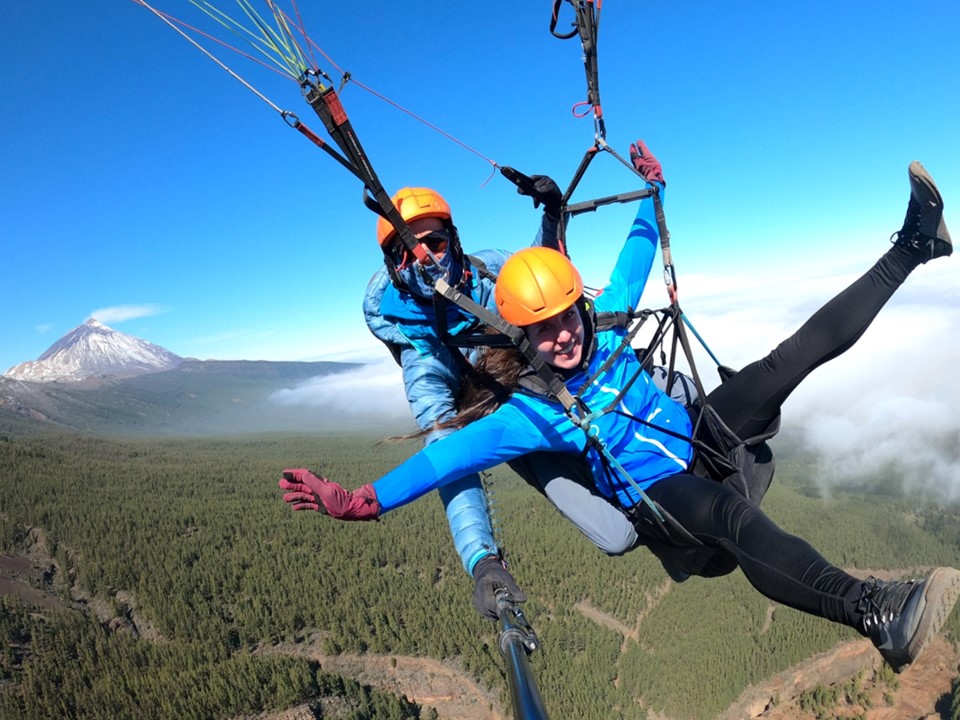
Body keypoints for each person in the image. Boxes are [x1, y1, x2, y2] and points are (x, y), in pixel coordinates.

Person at [282, 145, 958, 673]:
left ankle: (912, 247)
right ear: (521, 335)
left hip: (697, 433)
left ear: (580, 303)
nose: (563, 336)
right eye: (541, 330)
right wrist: (359, 501)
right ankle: (874, 613)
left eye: (566, 317)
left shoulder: (602, 327)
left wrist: (653, 189)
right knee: (730, 518)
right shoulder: (531, 413)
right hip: (661, 490)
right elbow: (445, 457)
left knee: (785, 362)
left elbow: (635, 254)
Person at [361, 181, 644, 620]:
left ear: (452, 240)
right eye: (404, 251)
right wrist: (482, 558)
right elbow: (447, 451)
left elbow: (533, 282)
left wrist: (552, 217)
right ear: (392, 265)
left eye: (434, 242)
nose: (423, 259)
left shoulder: (487, 272)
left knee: (662, 390)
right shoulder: (423, 357)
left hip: (564, 379)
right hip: (522, 423)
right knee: (615, 533)